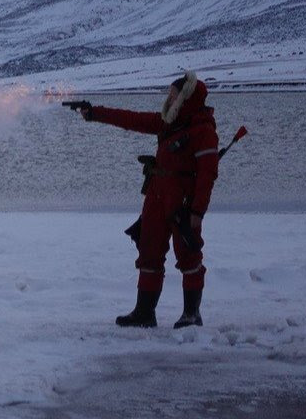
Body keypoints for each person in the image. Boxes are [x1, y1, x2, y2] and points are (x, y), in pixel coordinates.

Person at [77, 71, 219, 328]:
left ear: (185, 98)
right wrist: (94, 113)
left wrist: (197, 212)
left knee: (188, 254)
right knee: (149, 251)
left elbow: (207, 175)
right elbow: (131, 119)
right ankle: (144, 313)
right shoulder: (168, 123)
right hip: (156, 195)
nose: (169, 98)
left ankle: (191, 314)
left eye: (174, 95)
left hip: (182, 201)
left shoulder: (202, 130)